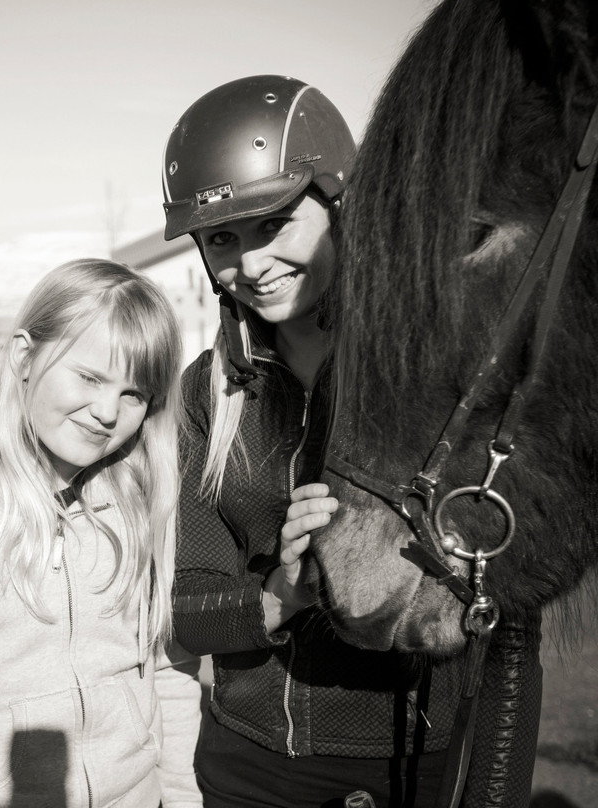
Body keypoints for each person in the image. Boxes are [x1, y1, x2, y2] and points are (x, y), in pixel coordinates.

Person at [161, 75, 466, 807]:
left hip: (408, 763)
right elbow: (190, 611)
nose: (252, 264)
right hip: (243, 764)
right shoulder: (207, 390)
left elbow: (508, 617)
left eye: (274, 224)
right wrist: (286, 591)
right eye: (222, 239)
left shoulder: (436, 368)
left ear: (341, 204)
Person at [0, 259, 204, 808]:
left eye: (134, 393)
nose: (107, 412)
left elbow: (167, 672)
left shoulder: (140, 501)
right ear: (24, 356)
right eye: (89, 377)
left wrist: (183, 799)